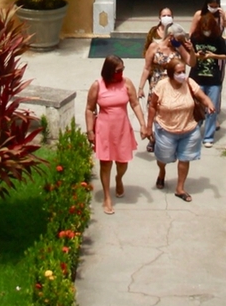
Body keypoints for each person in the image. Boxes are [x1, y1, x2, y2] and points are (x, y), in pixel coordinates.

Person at [84, 55, 149, 214]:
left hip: (122, 129)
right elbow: (89, 109)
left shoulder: (126, 83)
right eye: (118, 70)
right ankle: (107, 197)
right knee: (105, 163)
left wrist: (142, 124)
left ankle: (119, 178)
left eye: (123, 69)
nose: (121, 73)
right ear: (109, 71)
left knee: (122, 162)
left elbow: (135, 104)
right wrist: (90, 130)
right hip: (104, 129)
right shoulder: (97, 86)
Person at [148, 57, 214, 201]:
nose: (182, 74)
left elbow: (202, 96)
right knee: (163, 157)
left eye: (184, 71)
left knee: (185, 159)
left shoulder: (189, 83)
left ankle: (180, 188)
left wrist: (209, 103)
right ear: (171, 73)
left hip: (189, 129)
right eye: (179, 72)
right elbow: (152, 106)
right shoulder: (162, 85)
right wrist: (148, 127)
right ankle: (162, 172)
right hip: (166, 129)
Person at [189, 0, 226, 147]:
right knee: (196, 106)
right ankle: (194, 132)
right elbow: (189, 53)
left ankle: (208, 137)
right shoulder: (195, 37)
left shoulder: (218, 39)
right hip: (197, 77)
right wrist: (196, 55)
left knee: (211, 107)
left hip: (213, 77)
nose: (206, 32)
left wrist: (213, 56)